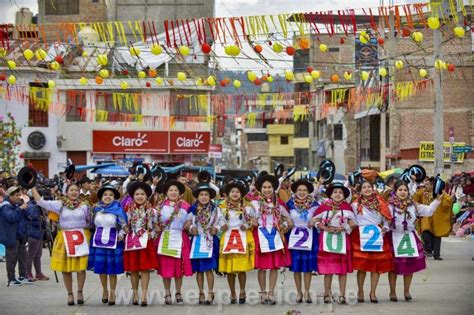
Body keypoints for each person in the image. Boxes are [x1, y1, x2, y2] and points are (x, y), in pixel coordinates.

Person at [32, 183, 90, 306]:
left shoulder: (85, 206)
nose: (74, 192)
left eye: (76, 190)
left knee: (81, 268)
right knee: (66, 269)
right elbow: (40, 202)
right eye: (71, 190)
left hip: (80, 237)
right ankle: (70, 294)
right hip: (65, 239)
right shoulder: (60, 205)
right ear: (66, 192)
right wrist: (32, 187)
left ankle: (80, 292)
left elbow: (90, 221)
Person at [387, 180, 442, 302]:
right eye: (400, 190)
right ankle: (392, 292)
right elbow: (383, 219)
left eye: (405, 190)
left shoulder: (413, 205)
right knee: (393, 267)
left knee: (409, 266)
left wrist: (437, 200)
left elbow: (428, 211)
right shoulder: (389, 206)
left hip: (408, 237)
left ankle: (406, 291)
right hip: (393, 237)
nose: (403, 192)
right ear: (395, 192)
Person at [312, 182, 356, 305]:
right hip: (327, 239)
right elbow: (313, 220)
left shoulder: (347, 208)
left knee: (342, 270)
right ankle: (327, 293)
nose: (337, 194)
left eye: (340, 193)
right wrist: (324, 227)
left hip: (342, 239)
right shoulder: (324, 206)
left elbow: (353, 223)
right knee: (328, 269)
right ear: (330, 194)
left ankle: (342, 295)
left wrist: (343, 228)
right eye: (335, 192)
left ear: (344, 195)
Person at [251, 174, 291, 305]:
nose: (267, 190)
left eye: (269, 187)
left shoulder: (279, 203)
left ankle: (271, 292)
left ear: (273, 188)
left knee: (274, 266)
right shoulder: (254, 203)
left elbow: (288, 219)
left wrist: (284, 225)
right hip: (261, 236)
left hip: (275, 236)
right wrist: (252, 221)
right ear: (260, 188)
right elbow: (248, 218)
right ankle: (262, 292)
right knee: (261, 267)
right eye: (264, 187)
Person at [351, 181, 393, 303]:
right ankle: (360, 291)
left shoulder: (380, 202)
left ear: (373, 188)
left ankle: (373, 292)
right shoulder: (355, 204)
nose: (367, 189)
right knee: (362, 266)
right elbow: (351, 218)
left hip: (377, 235)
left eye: (369, 187)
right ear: (360, 190)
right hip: (361, 236)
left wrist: (385, 227)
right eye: (364, 187)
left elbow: (386, 219)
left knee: (376, 266)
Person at [87, 184, 127, 306]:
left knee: (112, 270)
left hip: (113, 242)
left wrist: (121, 235)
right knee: (102, 268)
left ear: (114, 197)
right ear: (101, 197)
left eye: (110, 195)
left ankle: (112, 292)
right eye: (105, 195)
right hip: (99, 242)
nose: (108, 197)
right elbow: (92, 225)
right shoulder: (96, 210)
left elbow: (124, 226)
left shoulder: (118, 210)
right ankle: (104, 290)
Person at [155, 180, 193, 305]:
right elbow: (154, 221)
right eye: (171, 190)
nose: (173, 192)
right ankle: (167, 292)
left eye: (176, 190)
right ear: (166, 192)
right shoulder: (160, 206)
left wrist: (189, 224)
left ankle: (178, 291)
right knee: (166, 266)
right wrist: (156, 226)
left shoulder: (186, 206)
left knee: (179, 267)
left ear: (180, 193)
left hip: (180, 238)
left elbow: (190, 221)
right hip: (165, 237)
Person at [217, 182, 255, 304]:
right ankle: (233, 293)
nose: (235, 194)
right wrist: (221, 225)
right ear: (228, 194)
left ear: (241, 194)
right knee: (230, 269)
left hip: (242, 237)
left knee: (241, 268)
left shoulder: (248, 206)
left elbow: (253, 220)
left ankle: (242, 291)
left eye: (237, 192)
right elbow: (218, 221)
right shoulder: (222, 207)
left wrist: (247, 225)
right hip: (228, 238)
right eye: (232, 192)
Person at [123, 182, 158, 307]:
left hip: (146, 242)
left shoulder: (152, 210)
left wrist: (152, 234)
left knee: (145, 269)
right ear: (133, 195)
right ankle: (135, 294)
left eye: (142, 194)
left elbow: (155, 226)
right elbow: (124, 225)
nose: (139, 196)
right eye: (137, 194)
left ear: (147, 195)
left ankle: (144, 294)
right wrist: (125, 230)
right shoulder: (127, 209)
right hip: (132, 241)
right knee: (133, 269)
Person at [286, 179, 320, 304]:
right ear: (295, 191)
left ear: (309, 192)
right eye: (299, 190)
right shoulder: (289, 204)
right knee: (296, 267)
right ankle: (299, 291)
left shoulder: (315, 205)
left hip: (310, 237)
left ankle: (306, 291)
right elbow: (285, 218)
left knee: (307, 267)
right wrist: (287, 222)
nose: (302, 192)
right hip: (294, 237)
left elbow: (321, 218)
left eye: (305, 190)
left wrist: (315, 221)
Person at [188, 182, 220, 305]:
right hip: (196, 241)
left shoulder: (215, 209)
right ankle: (201, 292)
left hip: (209, 241)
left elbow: (220, 222)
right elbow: (188, 222)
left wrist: (215, 228)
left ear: (210, 196)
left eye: (206, 194)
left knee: (208, 269)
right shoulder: (193, 209)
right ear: (197, 196)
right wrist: (191, 228)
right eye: (201, 194)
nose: (204, 197)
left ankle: (210, 292)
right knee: (199, 269)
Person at [414, 177, 453, 260]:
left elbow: (448, 202)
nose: (426, 186)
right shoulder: (423, 192)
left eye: (428, 184)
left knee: (437, 236)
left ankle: (436, 254)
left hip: (437, 218)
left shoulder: (442, 193)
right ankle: (427, 250)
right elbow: (415, 198)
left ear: (433, 185)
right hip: (426, 218)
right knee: (425, 233)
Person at [0, 186, 30, 286]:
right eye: (16, 195)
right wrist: (20, 208)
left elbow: (25, 217)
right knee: (11, 259)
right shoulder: (6, 206)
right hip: (11, 237)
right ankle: (11, 279)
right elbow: (11, 217)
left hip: (20, 236)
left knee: (23, 257)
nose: (19, 197)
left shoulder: (17, 204)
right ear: (10, 196)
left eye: (19, 195)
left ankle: (23, 276)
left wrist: (23, 207)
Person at [25, 199, 50, 281]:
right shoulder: (32, 206)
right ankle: (28, 273)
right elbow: (32, 219)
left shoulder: (39, 206)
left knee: (38, 254)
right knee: (31, 254)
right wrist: (41, 216)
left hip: (39, 233)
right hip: (33, 233)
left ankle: (38, 273)